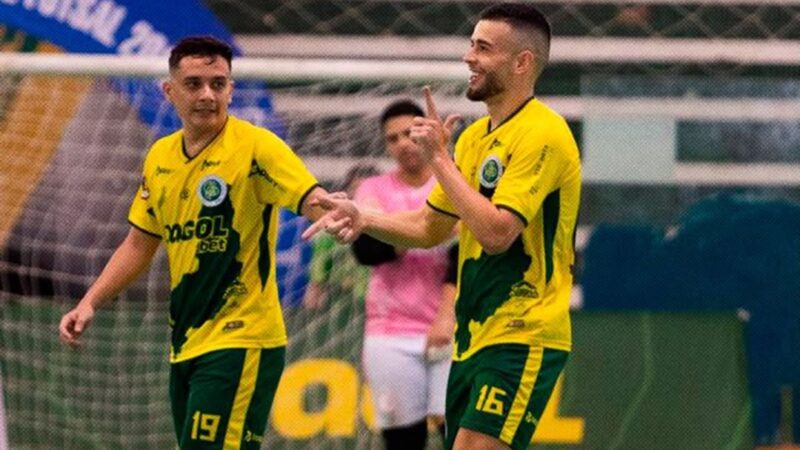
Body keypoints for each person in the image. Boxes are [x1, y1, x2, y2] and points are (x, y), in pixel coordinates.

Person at [303, 4, 582, 450]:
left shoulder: (543, 133)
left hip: (522, 330)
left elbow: (496, 234)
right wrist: (365, 217)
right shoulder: (472, 140)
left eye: (483, 48)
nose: (469, 58)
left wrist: (438, 159)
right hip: (474, 337)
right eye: (471, 45)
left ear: (522, 62)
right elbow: (428, 227)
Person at [58, 36, 342, 450]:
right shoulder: (159, 157)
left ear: (231, 89)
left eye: (218, 83)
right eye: (194, 84)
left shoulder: (256, 147)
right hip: (187, 340)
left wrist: (335, 212)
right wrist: (90, 301)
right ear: (169, 91)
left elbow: (311, 197)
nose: (207, 95)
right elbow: (140, 243)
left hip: (241, 338)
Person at [348, 100, 455, 450]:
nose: (403, 144)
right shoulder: (373, 190)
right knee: (402, 440)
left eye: (409, 133)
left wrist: (391, 226)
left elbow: (462, 255)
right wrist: (428, 229)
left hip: (450, 328)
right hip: (390, 332)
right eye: (392, 138)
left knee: (457, 434)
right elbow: (366, 252)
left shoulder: (452, 184)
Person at [302, 164, 379, 311]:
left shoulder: (391, 227)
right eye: (355, 189)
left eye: (366, 191)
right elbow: (318, 276)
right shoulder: (330, 230)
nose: (360, 196)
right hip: (340, 303)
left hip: (379, 303)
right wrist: (314, 296)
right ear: (348, 193)